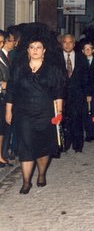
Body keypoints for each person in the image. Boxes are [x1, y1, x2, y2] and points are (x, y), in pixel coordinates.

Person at [5, 35, 66, 194]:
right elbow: (11, 89)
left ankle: (41, 174)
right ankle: (26, 182)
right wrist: (8, 110)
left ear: (44, 50)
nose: (35, 50)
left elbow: (58, 91)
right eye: (32, 47)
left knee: (43, 146)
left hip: (45, 113)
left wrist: (59, 113)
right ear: (27, 50)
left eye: (38, 47)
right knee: (26, 147)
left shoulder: (52, 69)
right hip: (23, 113)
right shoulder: (19, 68)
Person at [61, 34, 90, 152]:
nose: (67, 44)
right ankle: (65, 145)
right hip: (62, 96)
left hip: (78, 95)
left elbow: (86, 78)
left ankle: (78, 146)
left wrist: (87, 93)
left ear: (74, 44)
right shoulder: (56, 58)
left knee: (77, 120)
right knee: (63, 121)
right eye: (65, 42)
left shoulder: (81, 58)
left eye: (70, 42)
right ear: (61, 43)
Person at [81, 39, 94, 142]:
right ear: (83, 51)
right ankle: (86, 133)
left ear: (93, 50)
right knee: (85, 113)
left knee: (93, 113)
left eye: (89, 49)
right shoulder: (80, 62)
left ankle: (92, 135)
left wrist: (90, 93)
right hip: (83, 93)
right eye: (86, 49)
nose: (88, 51)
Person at [0, 31, 12, 167]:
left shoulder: (2, 55)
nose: (1, 44)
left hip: (3, 97)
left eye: (2, 41)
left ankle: (0, 155)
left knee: (2, 126)